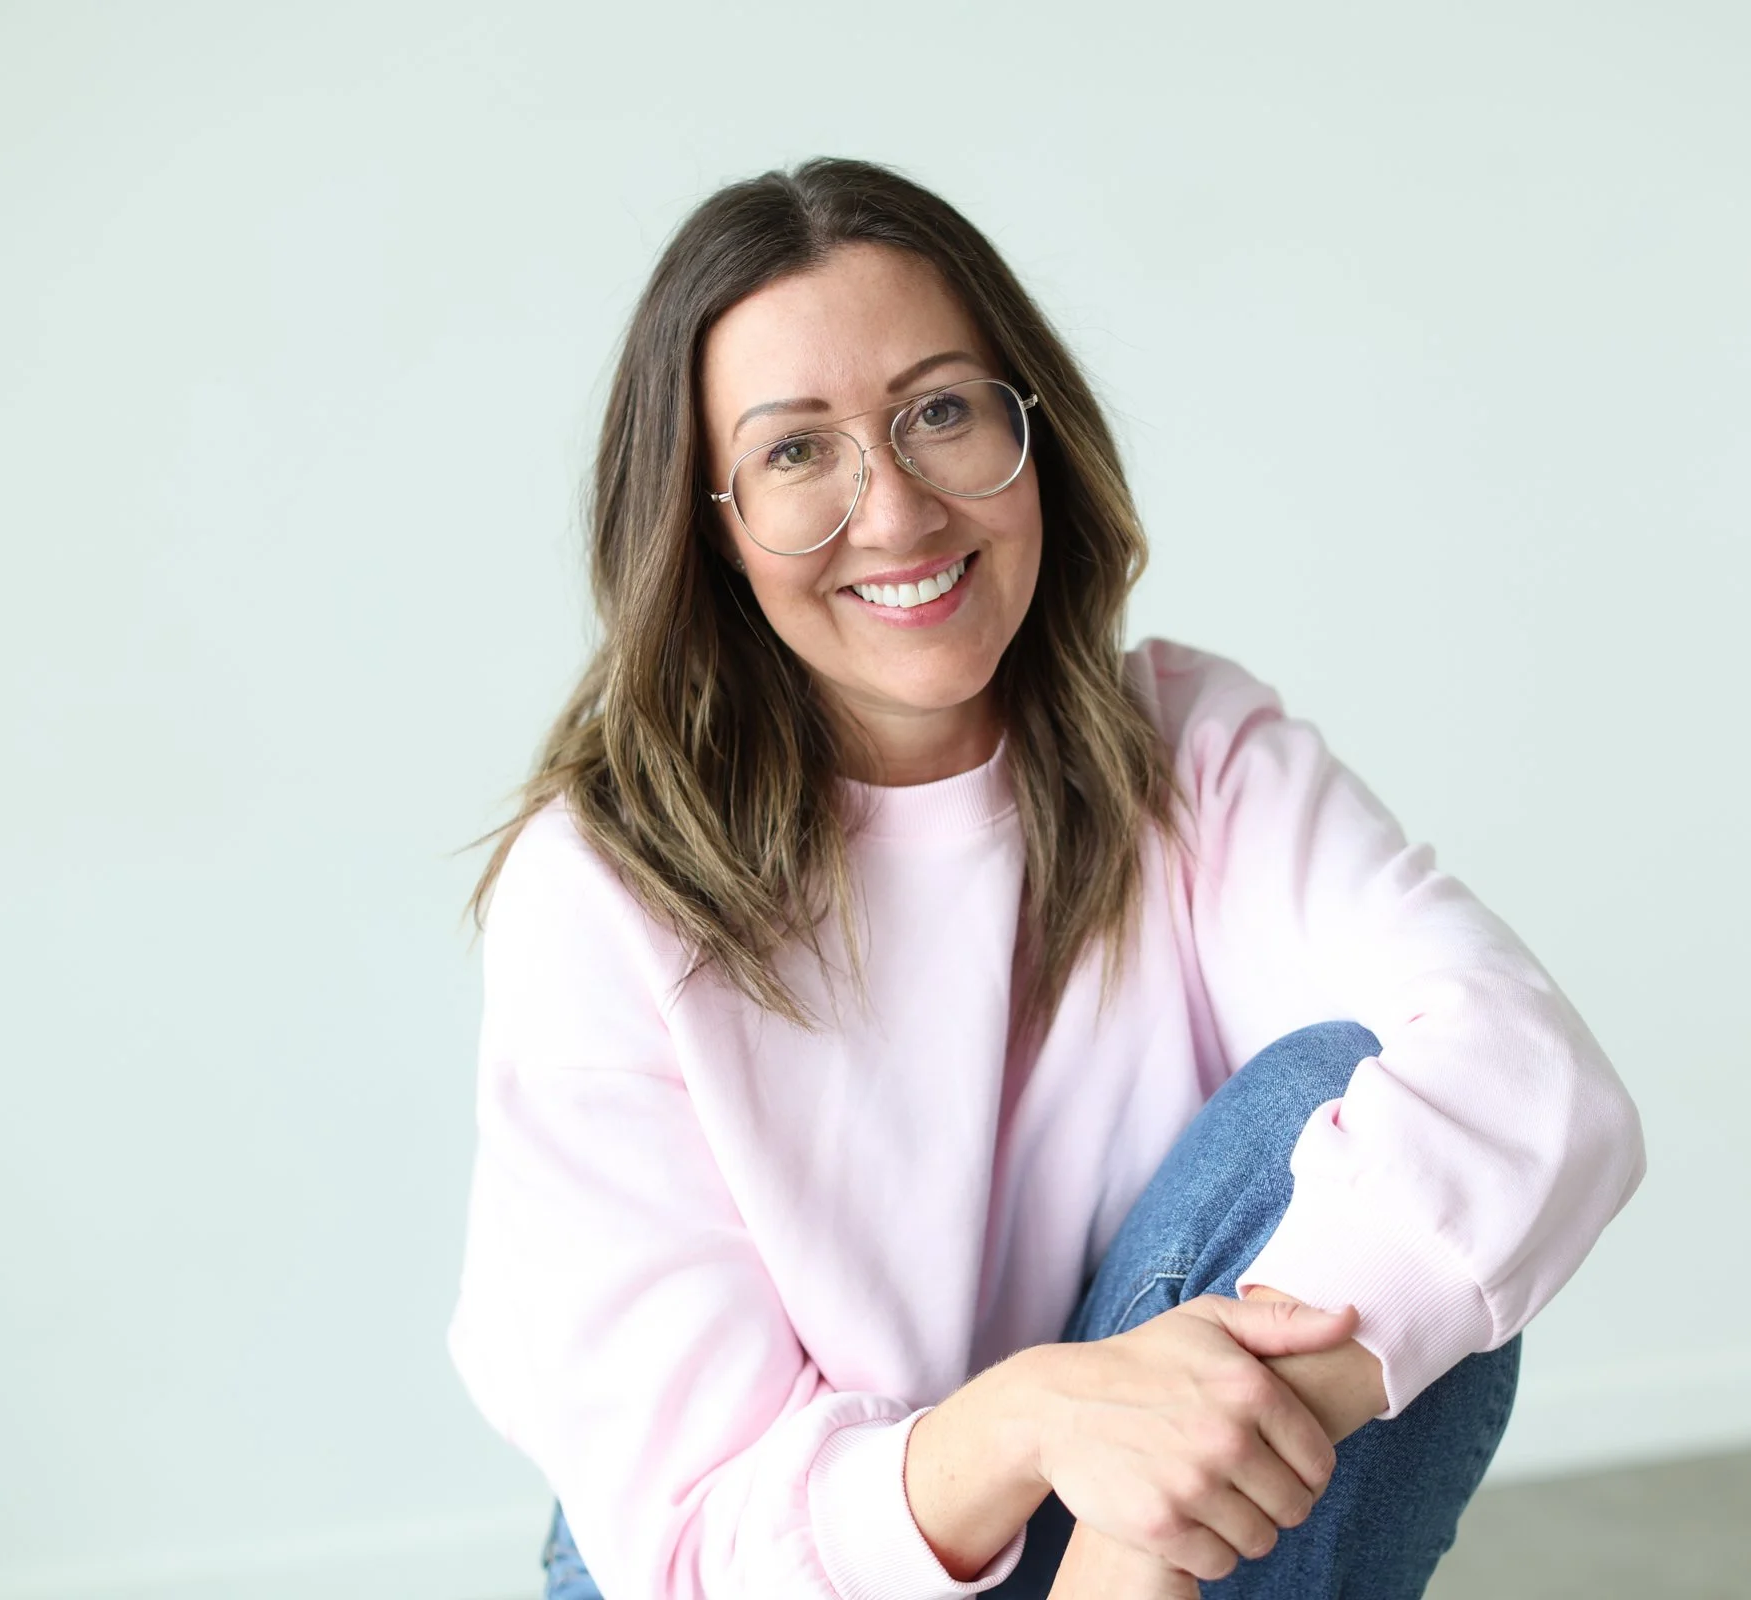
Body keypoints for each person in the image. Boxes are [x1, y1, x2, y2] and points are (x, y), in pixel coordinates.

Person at [445, 156, 1647, 1600]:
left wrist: (1147, 1516)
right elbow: (700, 1542)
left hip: (1116, 1564)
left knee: (1351, 1138)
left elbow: (1534, 1085)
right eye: (796, 451)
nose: (893, 512)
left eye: (938, 411)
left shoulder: (1188, 753)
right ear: (709, 531)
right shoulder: (602, 892)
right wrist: (1040, 1416)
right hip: (774, 1575)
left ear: (1032, 433)